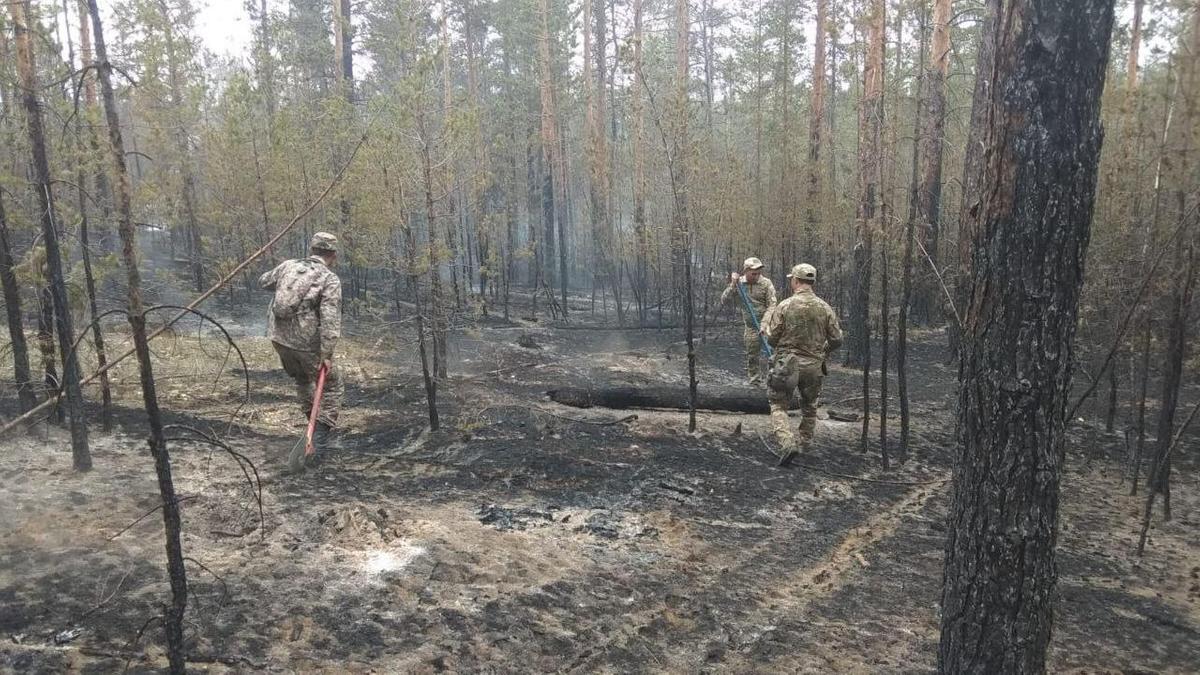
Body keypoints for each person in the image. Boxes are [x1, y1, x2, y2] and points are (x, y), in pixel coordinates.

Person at [259, 232, 343, 470]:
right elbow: (329, 318)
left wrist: (288, 281)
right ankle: (319, 439)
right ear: (333, 255)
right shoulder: (329, 278)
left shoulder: (288, 266)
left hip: (278, 338)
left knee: (303, 380)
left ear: (312, 249)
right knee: (333, 386)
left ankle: (312, 428)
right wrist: (327, 354)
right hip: (306, 345)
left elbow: (264, 281)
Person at [763, 263, 843, 467]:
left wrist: (767, 334)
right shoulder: (825, 308)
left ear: (796, 281)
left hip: (786, 366)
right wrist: (823, 351)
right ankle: (804, 443)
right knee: (809, 407)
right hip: (814, 366)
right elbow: (837, 339)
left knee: (778, 405)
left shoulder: (785, 305)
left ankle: (787, 443)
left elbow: (772, 339)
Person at [719, 257, 777, 386]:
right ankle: (755, 381)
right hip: (751, 326)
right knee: (752, 355)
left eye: (758, 273)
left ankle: (773, 382)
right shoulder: (739, 284)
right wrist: (733, 285)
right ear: (746, 271)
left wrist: (764, 324)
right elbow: (724, 300)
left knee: (772, 354)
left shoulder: (766, 283)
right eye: (753, 273)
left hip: (768, 325)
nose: (756, 276)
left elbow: (772, 306)